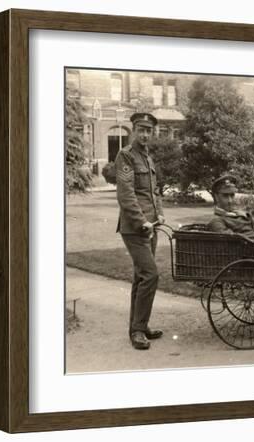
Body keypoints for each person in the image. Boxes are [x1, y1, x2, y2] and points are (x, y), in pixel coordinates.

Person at [115, 112, 165, 350]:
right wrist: (141, 221)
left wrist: (159, 214)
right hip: (135, 228)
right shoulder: (125, 156)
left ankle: (139, 326)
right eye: (141, 130)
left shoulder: (148, 158)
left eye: (148, 131)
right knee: (150, 275)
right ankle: (137, 330)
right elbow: (126, 193)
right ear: (133, 130)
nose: (145, 134)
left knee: (141, 277)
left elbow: (154, 192)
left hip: (151, 226)